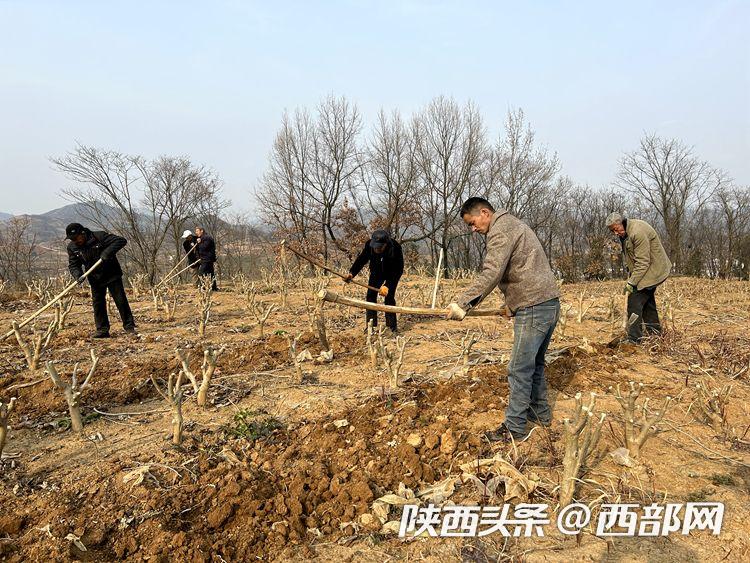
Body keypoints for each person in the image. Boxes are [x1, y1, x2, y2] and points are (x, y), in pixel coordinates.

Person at [445, 198, 560, 443]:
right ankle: (540, 414)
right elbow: (523, 268)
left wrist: (463, 303)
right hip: (548, 302)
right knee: (535, 364)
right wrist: (511, 304)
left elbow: (492, 272)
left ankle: (514, 427)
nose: (472, 229)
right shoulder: (513, 224)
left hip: (533, 306)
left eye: (472, 223)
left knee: (519, 369)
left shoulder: (500, 231)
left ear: (485, 212)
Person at [605, 212, 671, 343]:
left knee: (634, 301)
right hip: (647, 269)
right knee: (647, 302)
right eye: (612, 231)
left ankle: (634, 339)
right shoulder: (626, 232)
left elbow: (642, 262)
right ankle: (656, 335)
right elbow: (632, 258)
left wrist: (632, 282)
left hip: (653, 270)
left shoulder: (637, 232)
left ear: (621, 222)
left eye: (616, 229)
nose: (615, 233)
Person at [66, 222, 136, 338]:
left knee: (120, 300)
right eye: (72, 239)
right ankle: (102, 330)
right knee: (98, 303)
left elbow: (121, 240)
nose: (74, 241)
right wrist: (77, 275)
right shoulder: (72, 247)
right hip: (94, 277)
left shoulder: (99, 237)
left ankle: (129, 326)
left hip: (111, 273)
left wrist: (106, 253)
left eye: (76, 238)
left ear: (82, 233)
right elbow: (73, 265)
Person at [345, 229, 404, 333]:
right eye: (375, 246)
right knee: (370, 297)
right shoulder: (369, 245)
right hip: (376, 273)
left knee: (389, 298)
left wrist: (388, 285)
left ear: (386, 244)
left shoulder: (396, 248)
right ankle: (371, 326)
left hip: (391, 274)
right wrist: (352, 273)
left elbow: (398, 270)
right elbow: (362, 259)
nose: (376, 249)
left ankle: (391, 327)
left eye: (379, 247)